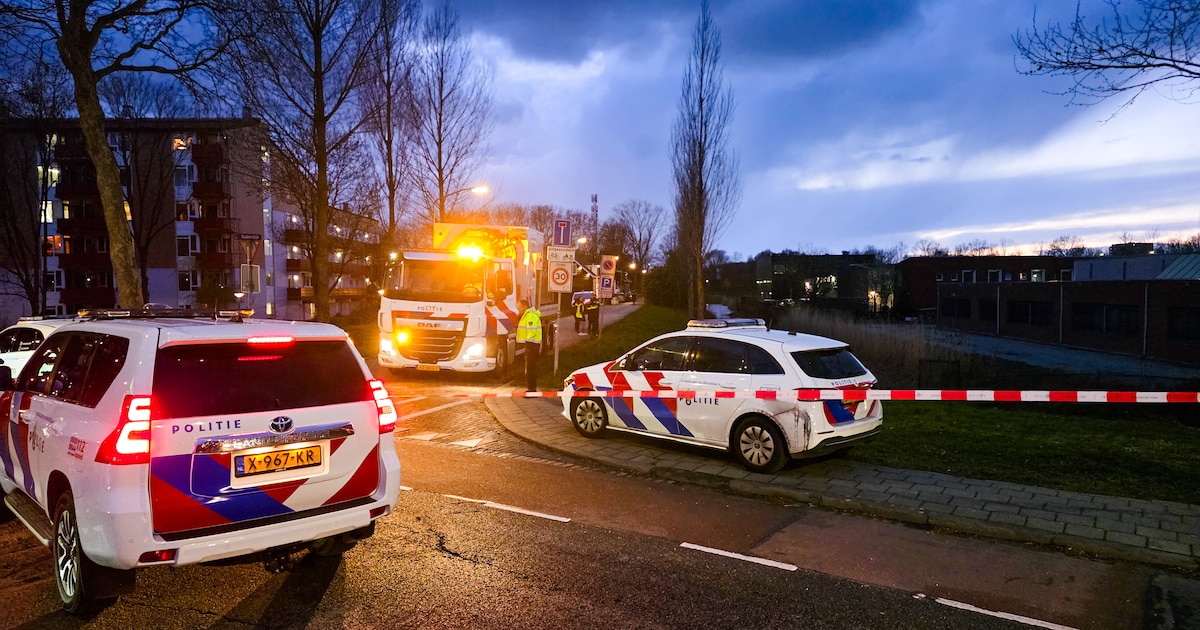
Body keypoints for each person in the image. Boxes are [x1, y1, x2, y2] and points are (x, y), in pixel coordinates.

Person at [515, 298, 542, 392]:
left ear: (525, 307)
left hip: (532, 345)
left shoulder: (530, 316)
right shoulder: (527, 316)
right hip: (531, 345)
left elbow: (531, 331)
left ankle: (531, 389)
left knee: (530, 368)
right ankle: (531, 387)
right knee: (530, 367)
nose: (518, 310)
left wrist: (528, 345)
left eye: (519, 308)